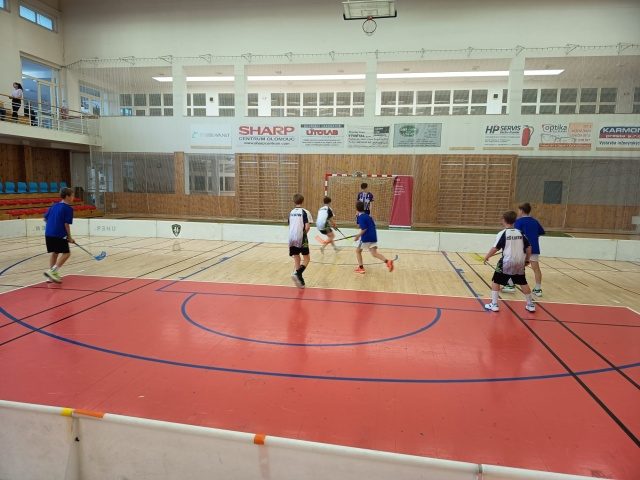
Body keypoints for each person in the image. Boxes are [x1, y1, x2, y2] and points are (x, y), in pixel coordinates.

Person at [483, 211, 535, 313]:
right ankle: (530, 305)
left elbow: (495, 248)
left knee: (496, 281)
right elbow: (529, 247)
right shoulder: (520, 233)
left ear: (503, 220)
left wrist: (487, 256)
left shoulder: (502, 233)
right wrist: (527, 259)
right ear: (515, 221)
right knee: (523, 282)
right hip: (519, 262)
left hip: (506, 262)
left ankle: (494, 304)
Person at [43, 187, 75, 283]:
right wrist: (69, 237)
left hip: (48, 234)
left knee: (55, 253)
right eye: (72, 195)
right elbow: (66, 224)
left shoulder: (54, 206)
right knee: (67, 254)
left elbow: (45, 219)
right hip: (59, 234)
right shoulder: (68, 209)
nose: (73, 197)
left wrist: (53, 226)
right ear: (67, 196)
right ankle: (52, 271)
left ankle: (50, 277)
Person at [513, 202, 545, 297]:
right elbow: (541, 232)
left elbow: (516, 235)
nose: (518, 212)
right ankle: (538, 289)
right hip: (534, 248)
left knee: (514, 266)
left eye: (519, 210)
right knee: (536, 269)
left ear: (522, 211)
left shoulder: (518, 222)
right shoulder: (535, 221)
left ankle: (510, 285)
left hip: (522, 248)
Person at [353, 201, 394, 274]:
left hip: (366, 238)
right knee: (374, 253)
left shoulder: (360, 217)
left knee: (358, 251)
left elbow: (364, 228)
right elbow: (368, 226)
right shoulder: (368, 216)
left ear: (356, 209)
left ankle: (361, 268)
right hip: (373, 236)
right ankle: (388, 261)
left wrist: (358, 236)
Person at [288, 193, 312, 288]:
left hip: (291, 237)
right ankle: (297, 273)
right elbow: (307, 227)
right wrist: (303, 235)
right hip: (301, 237)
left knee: (296, 256)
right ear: (303, 201)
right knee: (307, 258)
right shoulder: (305, 212)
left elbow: (290, 225)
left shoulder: (291, 212)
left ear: (294, 201)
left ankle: (300, 282)